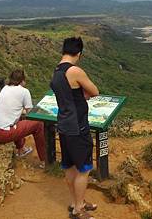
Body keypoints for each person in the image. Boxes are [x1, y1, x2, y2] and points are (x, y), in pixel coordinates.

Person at [50, 37, 99, 219]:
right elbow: (94, 91)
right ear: (78, 53)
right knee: (84, 169)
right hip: (78, 127)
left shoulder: (56, 71)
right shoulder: (75, 70)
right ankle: (79, 209)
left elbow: (67, 95)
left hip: (63, 125)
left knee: (70, 166)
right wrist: (83, 95)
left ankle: (75, 201)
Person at [0, 69, 46, 165]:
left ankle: (21, 149)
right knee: (38, 124)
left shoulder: (5, 88)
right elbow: (30, 113)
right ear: (22, 80)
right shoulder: (24, 91)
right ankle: (45, 160)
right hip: (2, 134)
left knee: (18, 119)